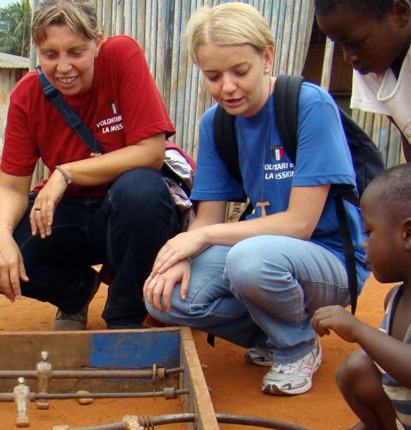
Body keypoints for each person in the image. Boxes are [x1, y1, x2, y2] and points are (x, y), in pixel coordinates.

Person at [144, 2, 367, 396]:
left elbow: (300, 224)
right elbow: (208, 217)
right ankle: (277, 332)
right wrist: (182, 254)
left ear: (267, 57)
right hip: (265, 258)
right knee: (164, 296)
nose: (226, 87)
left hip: (328, 260)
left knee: (250, 259)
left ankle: (298, 347)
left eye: (239, 71)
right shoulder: (217, 123)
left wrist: (202, 238)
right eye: (212, 76)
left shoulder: (308, 105)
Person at [0, 0, 181, 331]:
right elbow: (10, 186)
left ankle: (126, 318)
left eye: (76, 52)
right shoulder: (27, 94)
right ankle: (75, 292)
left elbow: (151, 152)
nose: (64, 67)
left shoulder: (122, 55)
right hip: (66, 216)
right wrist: (0, 233)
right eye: (51, 55)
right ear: (37, 50)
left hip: (123, 212)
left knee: (140, 190)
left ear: (97, 42)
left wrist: (66, 172)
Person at [313, 165, 411, 430]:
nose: (362, 243)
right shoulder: (396, 298)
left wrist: (357, 330)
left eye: (369, 232)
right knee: (358, 368)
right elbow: (388, 369)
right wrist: (371, 425)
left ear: (408, 235)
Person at [315, 0, 411, 162]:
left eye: (355, 43)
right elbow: (407, 131)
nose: (348, 57)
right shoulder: (374, 66)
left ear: (400, 13)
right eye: (340, 45)